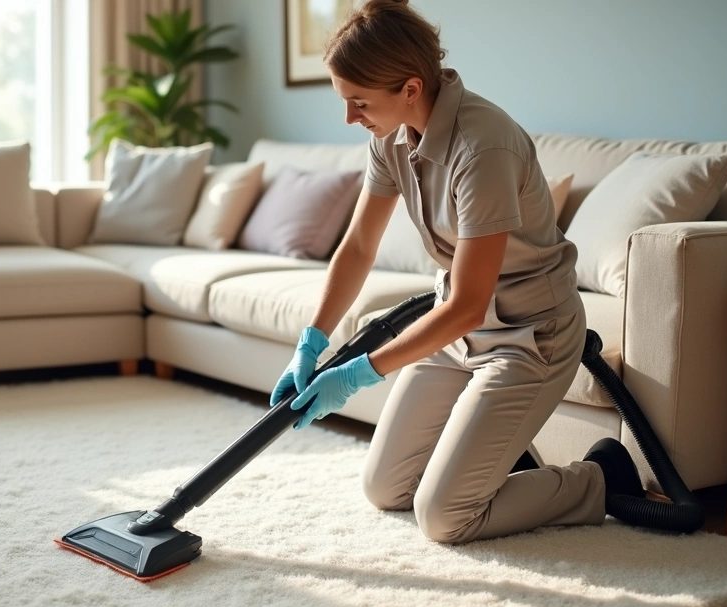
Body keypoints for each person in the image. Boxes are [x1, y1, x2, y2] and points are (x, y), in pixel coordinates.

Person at [270, 0, 644, 545]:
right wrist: (311, 342)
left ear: (411, 89)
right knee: (384, 488)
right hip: (456, 334)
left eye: (359, 102)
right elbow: (358, 247)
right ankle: (494, 463)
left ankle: (600, 480)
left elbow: (469, 303)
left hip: (528, 337)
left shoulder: (482, 146)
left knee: (444, 517)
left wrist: (356, 374)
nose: (349, 117)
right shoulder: (390, 137)